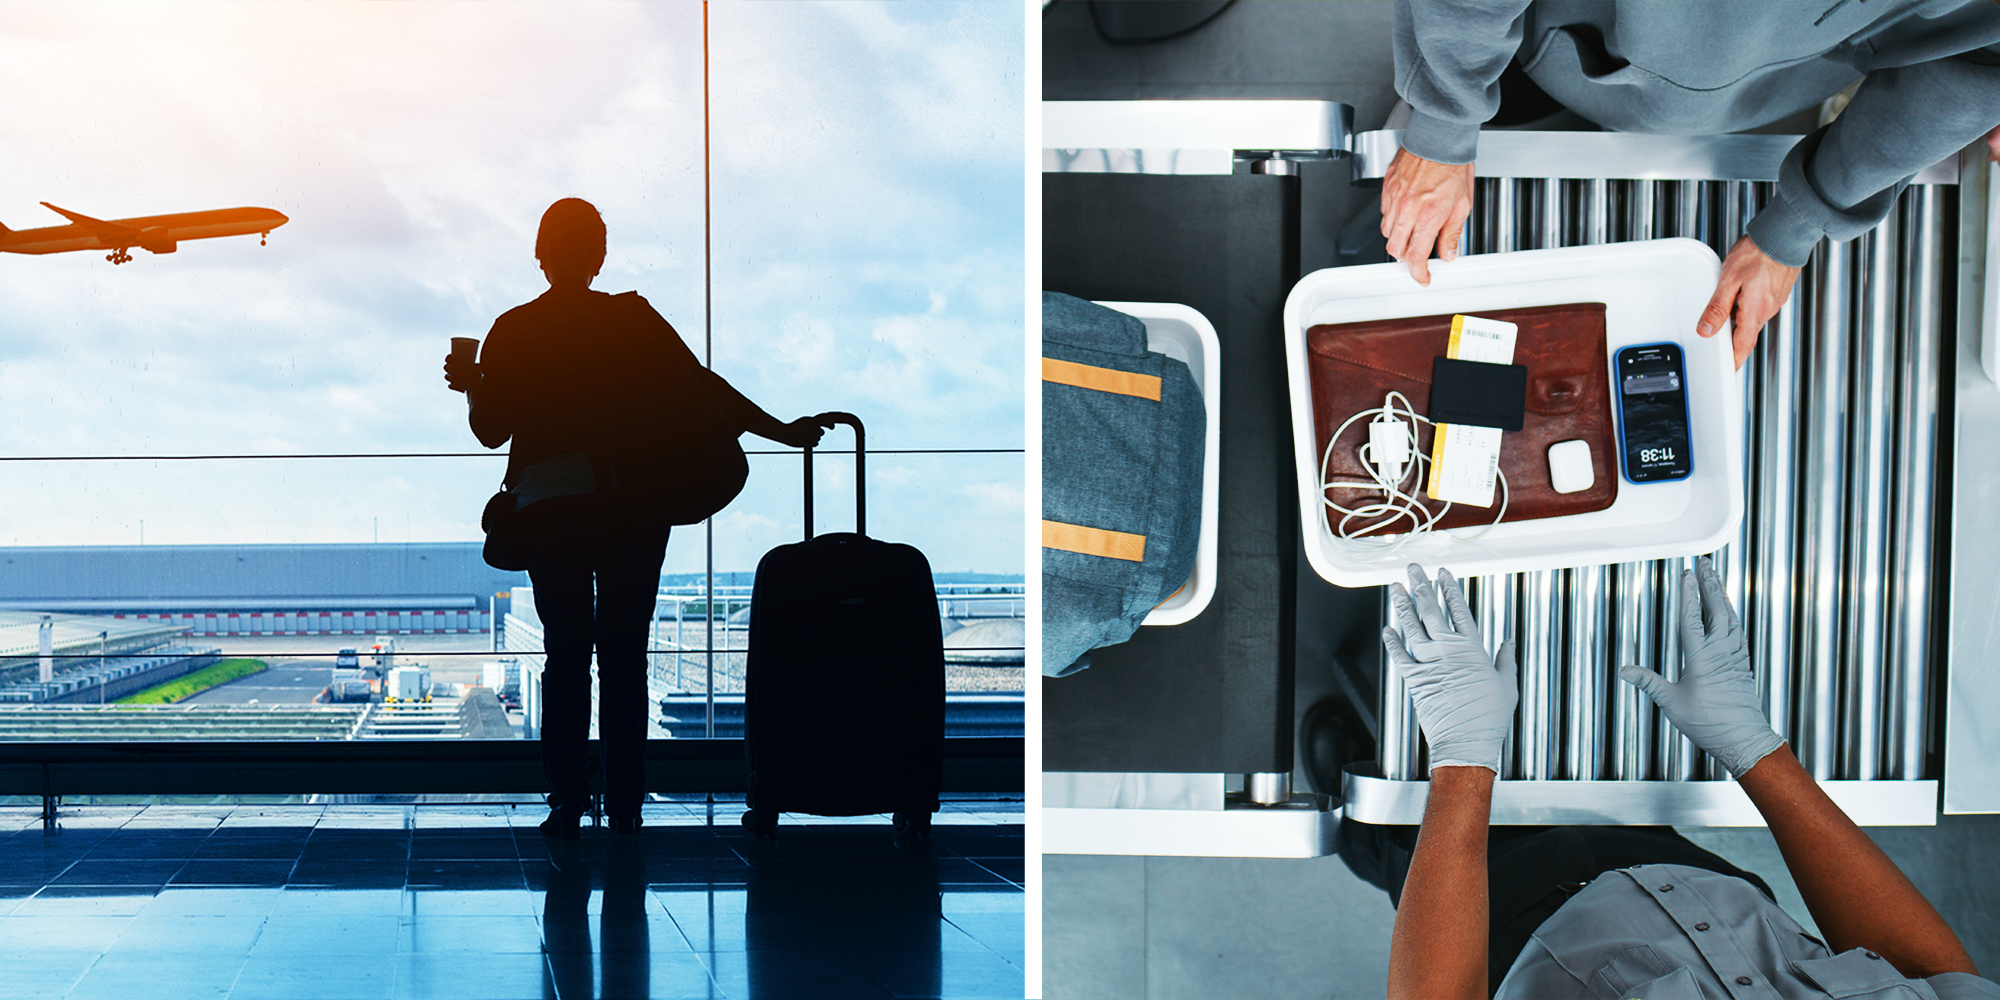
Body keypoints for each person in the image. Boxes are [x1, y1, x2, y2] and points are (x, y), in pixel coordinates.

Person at [1350, 559, 1997, 999]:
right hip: (1692, 883)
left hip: (1508, 923)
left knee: (1376, 814)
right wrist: (1757, 751)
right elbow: (1932, 977)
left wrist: (1462, 767)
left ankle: (1343, 770)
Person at [443, 197, 825, 837]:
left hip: (550, 508)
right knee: (625, 657)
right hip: (631, 508)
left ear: (540, 255)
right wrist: (779, 431)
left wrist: (476, 382)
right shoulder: (632, 319)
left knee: (566, 656)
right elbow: (702, 386)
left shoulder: (511, 330)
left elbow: (489, 431)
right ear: (599, 254)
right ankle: (625, 803)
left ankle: (566, 801)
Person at [1378, 1, 2000, 371]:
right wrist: (1446, 116)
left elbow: (1977, 63)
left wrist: (1797, 222)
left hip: (1749, 98)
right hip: (1545, 39)